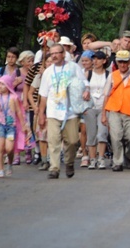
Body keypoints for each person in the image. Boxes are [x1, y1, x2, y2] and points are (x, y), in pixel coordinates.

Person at [37, 43, 90, 179]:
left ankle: (69, 162)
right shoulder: (48, 72)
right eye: (51, 53)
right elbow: (43, 95)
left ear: (63, 54)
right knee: (53, 141)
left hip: (70, 112)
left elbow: (84, 83)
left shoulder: (73, 67)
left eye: (57, 53)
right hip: (53, 112)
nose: (54, 56)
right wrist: (41, 114)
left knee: (72, 141)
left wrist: (86, 92)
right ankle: (54, 168)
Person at [101, 50, 130, 172]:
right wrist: (104, 114)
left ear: (129, 62)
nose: (123, 65)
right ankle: (117, 162)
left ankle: (129, 156)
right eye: (120, 62)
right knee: (115, 137)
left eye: (125, 62)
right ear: (116, 62)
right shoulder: (112, 76)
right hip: (114, 110)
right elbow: (106, 96)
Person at [83, 51, 109, 170]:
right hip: (90, 107)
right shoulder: (87, 73)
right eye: (94, 59)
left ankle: (101, 158)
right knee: (91, 133)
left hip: (104, 107)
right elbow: (81, 88)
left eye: (98, 59)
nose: (95, 61)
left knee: (102, 133)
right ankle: (92, 159)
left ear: (104, 61)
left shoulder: (109, 74)